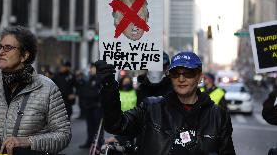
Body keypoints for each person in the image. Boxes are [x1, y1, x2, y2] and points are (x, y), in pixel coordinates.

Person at [96, 51, 236, 155]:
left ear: (199, 77)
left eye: (188, 73)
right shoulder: (150, 107)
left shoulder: (218, 116)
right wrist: (109, 85)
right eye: (176, 73)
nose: (181, 79)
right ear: (170, 76)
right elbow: (116, 124)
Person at [0, 26, 71, 155]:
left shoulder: (47, 87)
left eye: (8, 48)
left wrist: (29, 142)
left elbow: (64, 135)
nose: (1, 52)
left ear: (24, 55)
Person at [79, 63, 103, 149]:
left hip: (97, 107)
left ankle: (99, 143)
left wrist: (90, 94)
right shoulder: (90, 78)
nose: (91, 70)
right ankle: (89, 141)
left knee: (97, 127)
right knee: (90, 126)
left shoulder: (100, 79)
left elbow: (99, 93)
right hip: (89, 106)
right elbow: (85, 91)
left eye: (93, 68)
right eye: (91, 68)